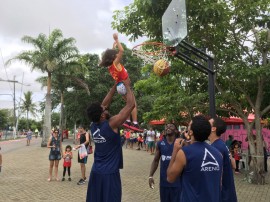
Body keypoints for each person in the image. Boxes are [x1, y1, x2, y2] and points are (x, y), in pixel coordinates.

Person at [86, 81, 135, 202]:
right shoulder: (112, 123)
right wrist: (127, 85)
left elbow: (104, 104)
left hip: (96, 171)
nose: (105, 108)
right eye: (103, 110)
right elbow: (131, 105)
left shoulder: (93, 125)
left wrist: (115, 85)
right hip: (110, 173)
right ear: (102, 116)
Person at [167, 115, 223, 202]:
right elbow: (219, 183)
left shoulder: (184, 153)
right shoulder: (218, 154)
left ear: (190, 132)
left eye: (189, 126)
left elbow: (170, 178)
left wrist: (175, 150)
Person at [99, 33, 141, 131]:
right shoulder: (115, 63)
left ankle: (127, 121)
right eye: (115, 54)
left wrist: (113, 47)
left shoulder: (110, 66)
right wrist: (117, 40)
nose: (118, 54)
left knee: (128, 104)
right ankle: (134, 123)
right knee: (133, 104)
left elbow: (112, 54)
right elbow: (122, 50)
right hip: (124, 85)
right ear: (114, 57)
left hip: (119, 87)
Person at [149, 123, 181, 202]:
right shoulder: (160, 143)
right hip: (164, 183)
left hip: (178, 183)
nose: (168, 127)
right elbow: (156, 161)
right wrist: (150, 176)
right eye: (166, 126)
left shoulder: (180, 143)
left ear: (176, 130)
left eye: (171, 126)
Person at [209, 117, 237, 202]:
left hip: (222, 195)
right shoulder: (222, 144)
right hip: (228, 192)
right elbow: (234, 165)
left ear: (213, 128)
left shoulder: (215, 147)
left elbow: (218, 177)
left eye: (208, 124)